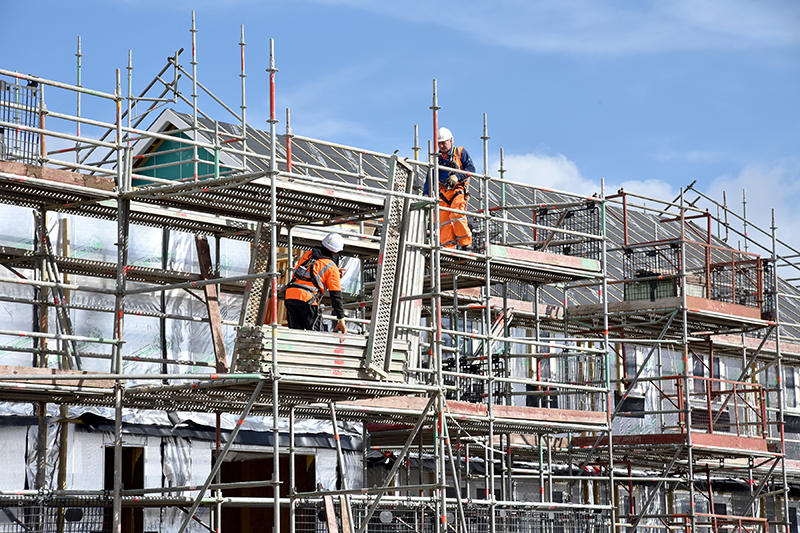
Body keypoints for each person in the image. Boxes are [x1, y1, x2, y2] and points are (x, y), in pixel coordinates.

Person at [284, 232, 347, 334]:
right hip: (308, 300)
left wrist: (334, 274)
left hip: (290, 296)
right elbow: (336, 296)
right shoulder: (331, 267)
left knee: (295, 334)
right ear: (335, 253)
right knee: (314, 335)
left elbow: (310, 274)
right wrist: (340, 318)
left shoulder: (307, 254)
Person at [423, 127, 475, 249]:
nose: (441, 146)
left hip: (457, 190)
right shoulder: (436, 159)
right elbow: (430, 178)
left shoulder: (460, 152)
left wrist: (457, 176)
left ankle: (466, 244)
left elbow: (471, 169)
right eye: (439, 143)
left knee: (457, 215)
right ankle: (449, 248)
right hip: (443, 193)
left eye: (443, 142)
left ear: (451, 141)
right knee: (443, 221)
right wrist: (426, 194)